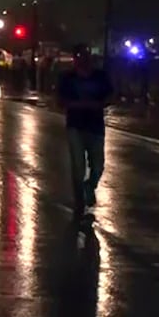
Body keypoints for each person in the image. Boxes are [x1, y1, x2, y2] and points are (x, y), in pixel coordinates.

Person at [57, 44, 113, 221]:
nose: (84, 59)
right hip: (76, 126)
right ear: (75, 59)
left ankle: (89, 186)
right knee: (78, 165)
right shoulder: (68, 78)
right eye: (80, 55)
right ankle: (79, 199)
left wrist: (101, 104)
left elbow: (111, 95)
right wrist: (75, 105)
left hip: (95, 126)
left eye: (86, 55)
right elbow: (60, 100)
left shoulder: (100, 76)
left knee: (98, 165)